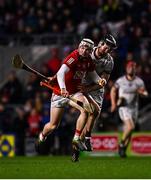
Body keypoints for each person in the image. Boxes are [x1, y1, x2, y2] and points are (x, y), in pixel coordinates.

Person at [36, 38, 103, 161]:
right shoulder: (73, 57)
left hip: (75, 93)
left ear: (90, 51)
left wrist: (99, 80)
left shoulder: (88, 60)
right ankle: (42, 135)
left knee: (87, 109)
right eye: (82, 47)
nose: (83, 50)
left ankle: (77, 138)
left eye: (87, 49)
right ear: (79, 47)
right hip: (59, 93)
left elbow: (93, 74)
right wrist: (62, 88)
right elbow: (61, 73)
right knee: (53, 126)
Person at [77, 34, 117, 152]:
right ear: (100, 43)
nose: (108, 50)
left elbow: (103, 81)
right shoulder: (88, 51)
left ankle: (83, 140)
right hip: (82, 84)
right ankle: (83, 138)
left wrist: (95, 86)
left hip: (95, 88)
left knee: (95, 113)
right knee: (87, 111)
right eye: (106, 46)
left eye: (110, 48)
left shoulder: (109, 61)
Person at [110, 60, 148, 157]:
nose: (131, 69)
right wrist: (114, 103)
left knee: (130, 130)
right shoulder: (121, 80)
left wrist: (142, 93)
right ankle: (122, 144)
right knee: (130, 127)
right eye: (130, 67)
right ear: (127, 69)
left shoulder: (139, 81)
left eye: (133, 67)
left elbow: (145, 94)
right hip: (123, 107)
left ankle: (123, 150)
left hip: (134, 108)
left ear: (136, 69)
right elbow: (113, 90)